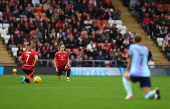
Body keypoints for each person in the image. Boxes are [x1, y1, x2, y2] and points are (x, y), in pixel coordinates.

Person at [122, 34, 160, 100]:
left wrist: (127, 69)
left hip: (135, 72)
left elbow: (130, 60)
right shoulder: (146, 49)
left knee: (125, 76)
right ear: (141, 40)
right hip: (146, 73)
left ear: (134, 40)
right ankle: (154, 91)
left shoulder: (132, 47)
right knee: (146, 96)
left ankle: (129, 94)